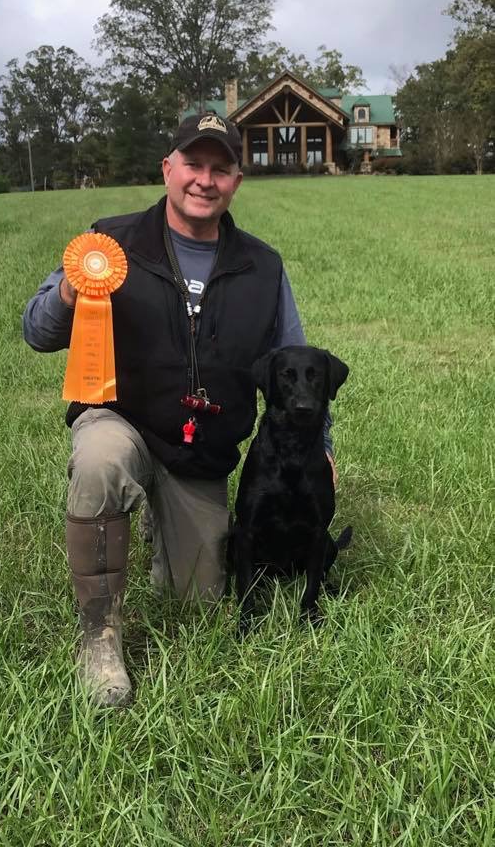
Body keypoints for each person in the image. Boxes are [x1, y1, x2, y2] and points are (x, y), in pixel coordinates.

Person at [23, 113, 336, 708]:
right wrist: (69, 290)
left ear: (236, 182)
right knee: (99, 460)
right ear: (168, 168)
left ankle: (158, 519)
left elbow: (298, 365)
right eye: (193, 164)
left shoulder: (263, 266)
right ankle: (100, 640)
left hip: (201, 448)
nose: (204, 180)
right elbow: (36, 333)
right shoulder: (110, 242)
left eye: (220, 169)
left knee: (197, 599)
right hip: (123, 418)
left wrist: (325, 446)